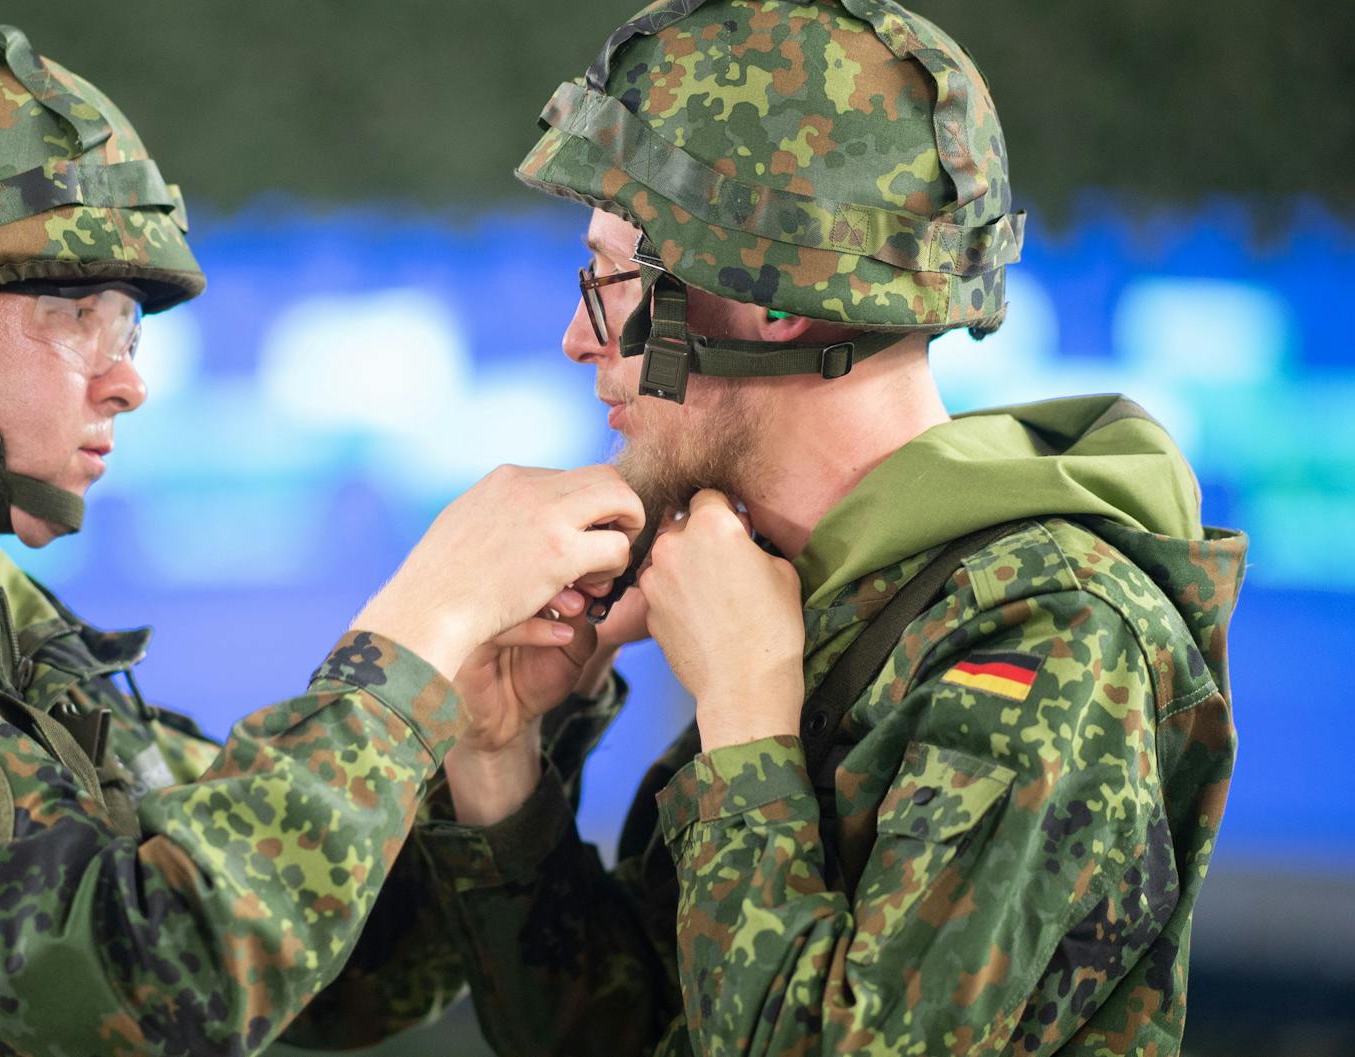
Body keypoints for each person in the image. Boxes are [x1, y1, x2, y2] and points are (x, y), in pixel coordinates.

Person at [0, 15, 643, 1056]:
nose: (126, 379)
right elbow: (147, 991)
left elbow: (337, 970)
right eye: (73, 314)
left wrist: (478, 739)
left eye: (122, 325)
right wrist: (421, 630)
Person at [420, 1, 1248, 1054]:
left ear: (769, 300)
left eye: (615, 279)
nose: (578, 337)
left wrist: (744, 718)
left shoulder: (1051, 634)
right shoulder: (823, 592)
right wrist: (500, 764)